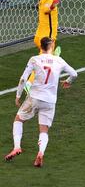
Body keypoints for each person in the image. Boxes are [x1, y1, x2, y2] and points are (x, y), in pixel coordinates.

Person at [5, 37, 77, 167]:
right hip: (49, 101)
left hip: (34, 98)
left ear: (40, 47)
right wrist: (68, 81)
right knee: (43, 130)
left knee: (18, 119)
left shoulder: (34, 59)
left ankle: (17, 147)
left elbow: (23, 79)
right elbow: (74, 74)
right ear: (52, 46)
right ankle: (40, 153)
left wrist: (18, 95)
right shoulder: (59, 60)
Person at [25, 0, 62, 93]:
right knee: (42, 63)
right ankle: (29, 83)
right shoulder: (46, 3)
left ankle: (53, 56)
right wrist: (52, 6)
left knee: (47, 59)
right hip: (46, 40)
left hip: (39, 36)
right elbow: (47, 8)